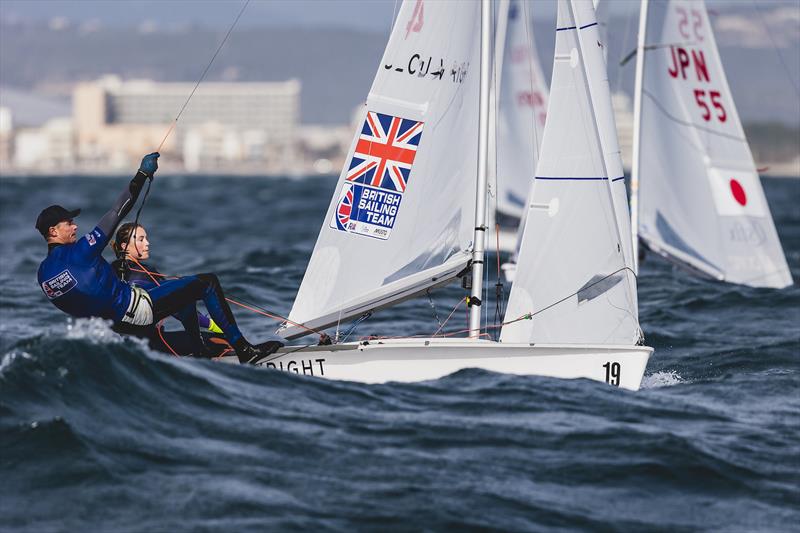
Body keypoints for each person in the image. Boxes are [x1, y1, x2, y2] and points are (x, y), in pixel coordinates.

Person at [36, 152, 282, 364]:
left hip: (117, 329)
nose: (75, 227)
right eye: (69, 223)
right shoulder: (81, 251)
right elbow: (117, 211)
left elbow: (83, 299)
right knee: (206, 283)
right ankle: (244, 350)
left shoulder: (44, 276)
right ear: (53, 232)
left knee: (182, 295)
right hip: (137, 310)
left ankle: (199, 353)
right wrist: (141, 175)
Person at [111, 222, 228, 357]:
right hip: (152, 345)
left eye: (146, 238)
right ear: (124, 246)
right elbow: (177, 305)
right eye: (141, 239)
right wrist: (212, 324)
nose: (147, 243)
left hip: (122, 346)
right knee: (220, 341)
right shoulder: (147, 272)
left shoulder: (109, 272)